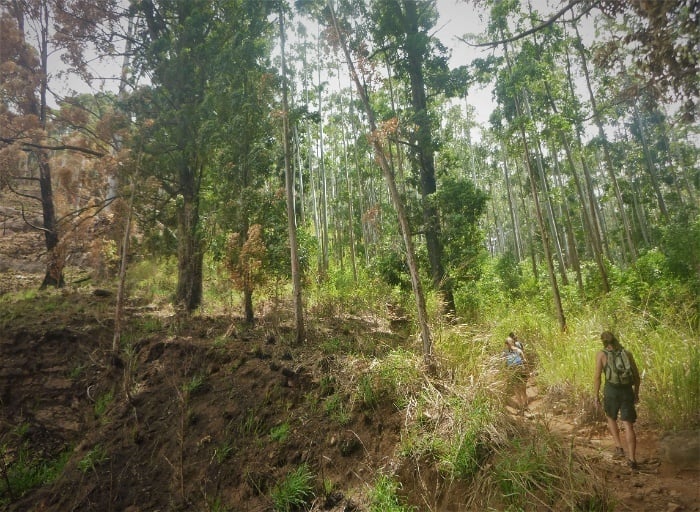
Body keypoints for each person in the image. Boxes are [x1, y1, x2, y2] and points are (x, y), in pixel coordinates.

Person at [593, 331, 641, 470]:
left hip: (611, 390)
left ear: (603, 342)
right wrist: (636, 394)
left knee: (611, 417)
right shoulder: (627, 353)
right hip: (627, 391)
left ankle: (618, 447)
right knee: (628, 425)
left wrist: (596, 395)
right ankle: (632, 459)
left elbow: (597, 377)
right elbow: (637, 377)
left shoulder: (601, 354)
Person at [504, 337, 528, 413]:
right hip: (521, 372)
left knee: (517, 391)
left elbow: (504, 365)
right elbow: (525, 361)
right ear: (513, 342)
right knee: (523, 391)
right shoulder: (519, 350)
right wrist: (528, 372)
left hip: (513, 373)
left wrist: (506, 374)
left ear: (506, 344)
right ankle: (525, 407)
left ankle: (522, 409)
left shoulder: (505, 353)